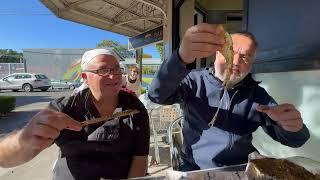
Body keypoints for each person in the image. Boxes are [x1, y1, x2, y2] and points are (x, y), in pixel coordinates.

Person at [148, 23, 310, 171]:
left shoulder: (258, 95)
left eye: (246, 57)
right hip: (196, 168)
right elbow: (157, 95)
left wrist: (292, 127)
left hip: (240, 169)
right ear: (217, 53)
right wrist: (180, 58)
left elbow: (294, 140)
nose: (236, 61)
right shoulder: (194, 81)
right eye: (231, 52)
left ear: (252, 63)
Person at [0, 49, 150, 180]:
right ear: (85, 78)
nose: (114, 76)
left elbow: (140, 158)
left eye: (117, 69)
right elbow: (4, 159)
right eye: (103, 70)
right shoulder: (65, 108)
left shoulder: (135, 108)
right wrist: (24, 139)